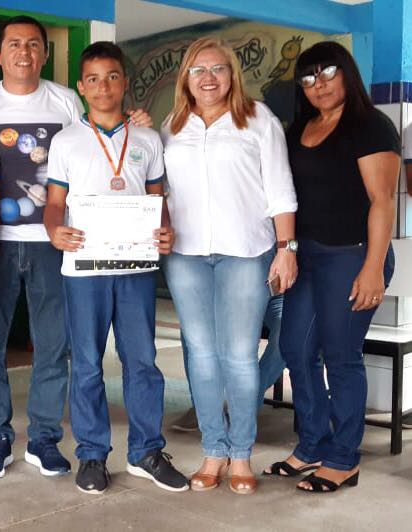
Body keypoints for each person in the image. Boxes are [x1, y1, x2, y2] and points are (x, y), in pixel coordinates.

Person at [44, 41, 189, 495]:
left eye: (112, 76)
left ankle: (147, 450)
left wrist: (163, 230)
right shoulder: (66, 141)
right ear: (81, 87)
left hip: (135, 267)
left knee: (141, 360)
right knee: (86, 364)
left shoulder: (146, 139)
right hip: (83, 268)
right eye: (93, 78)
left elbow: (156, 199)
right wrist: (54, 231)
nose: (103, 85)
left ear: (125, 83)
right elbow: (53, 205)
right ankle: (91, 454)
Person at [161, 36, 298, 495]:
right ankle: (213, 450)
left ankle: (241, 453)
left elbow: (280, 189)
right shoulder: (172, 125)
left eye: (217, 69)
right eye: (198, 70)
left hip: (246, 252)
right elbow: (158, 187)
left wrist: (286, 247)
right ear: (186, 77)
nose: (208, 78)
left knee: (239, 358)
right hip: (187, 255)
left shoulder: (259, 119)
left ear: (232, 74)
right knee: (201, 356)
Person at [268, 41, 399, 493]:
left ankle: (343, 458)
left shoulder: (370, 125)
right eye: (307, 79)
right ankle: (312, 445)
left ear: (346, 73)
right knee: (296, 351)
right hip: (310, 256)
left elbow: (383, 201)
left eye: (326, 73)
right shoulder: (296, 130)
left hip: (355, 255)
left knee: (341, 357)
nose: (317, 85)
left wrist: (373, 267)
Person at [0, 15, 82, 479]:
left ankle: (44, 438)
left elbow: (91, 151)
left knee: (53, 343)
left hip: (51, 242)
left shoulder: (67, 102)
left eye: (34, 45)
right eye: (14, 44)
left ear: (45, 53)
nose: (24, 52)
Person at [171, 294, 286, 432]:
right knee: (192, 322)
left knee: (287, 332)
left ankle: (249, 401)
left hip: (278, 296)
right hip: (232, 292)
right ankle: (201, 405)